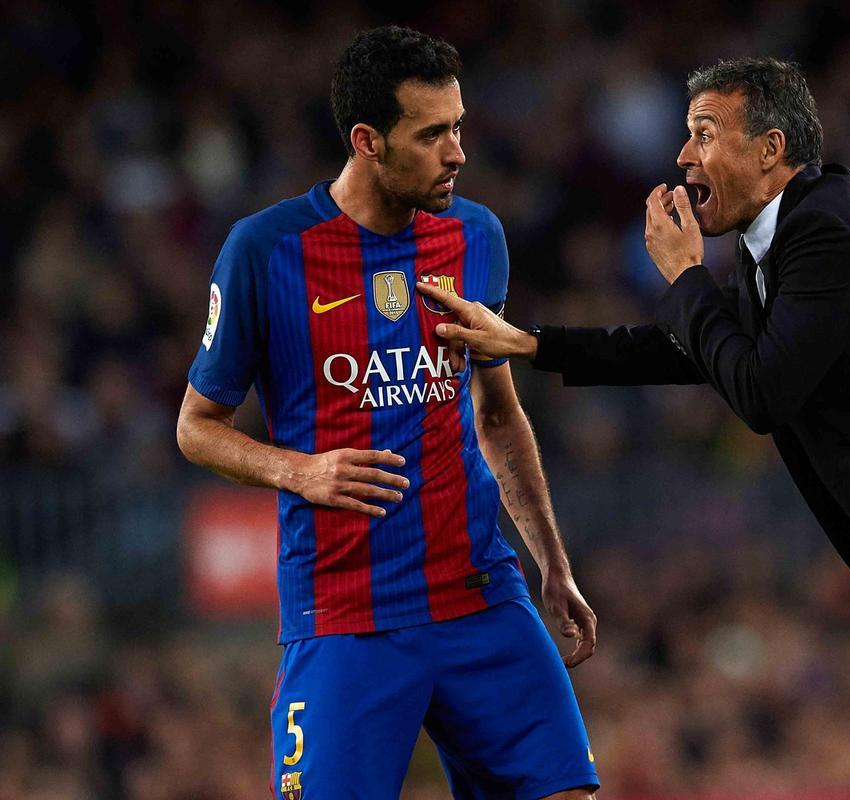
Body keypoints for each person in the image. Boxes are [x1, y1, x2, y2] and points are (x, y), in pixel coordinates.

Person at [419, 58, 850, 799]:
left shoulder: (829, 230)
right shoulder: (786, 239)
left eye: (704, 133)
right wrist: (531, 343)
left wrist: (684, 279)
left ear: (770, 151)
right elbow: (697, 349)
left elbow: (762, 391)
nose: (682, 157)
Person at [176, 26, 599, 800]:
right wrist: (297, 470)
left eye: (459, 126)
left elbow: (497, 414)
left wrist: (552, 561)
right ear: (368, 141)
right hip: (346, 615)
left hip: (478, 594)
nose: (458, 152)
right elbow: (195, 425)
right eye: (432, 134)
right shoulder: (266, 251)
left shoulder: (476, 237)